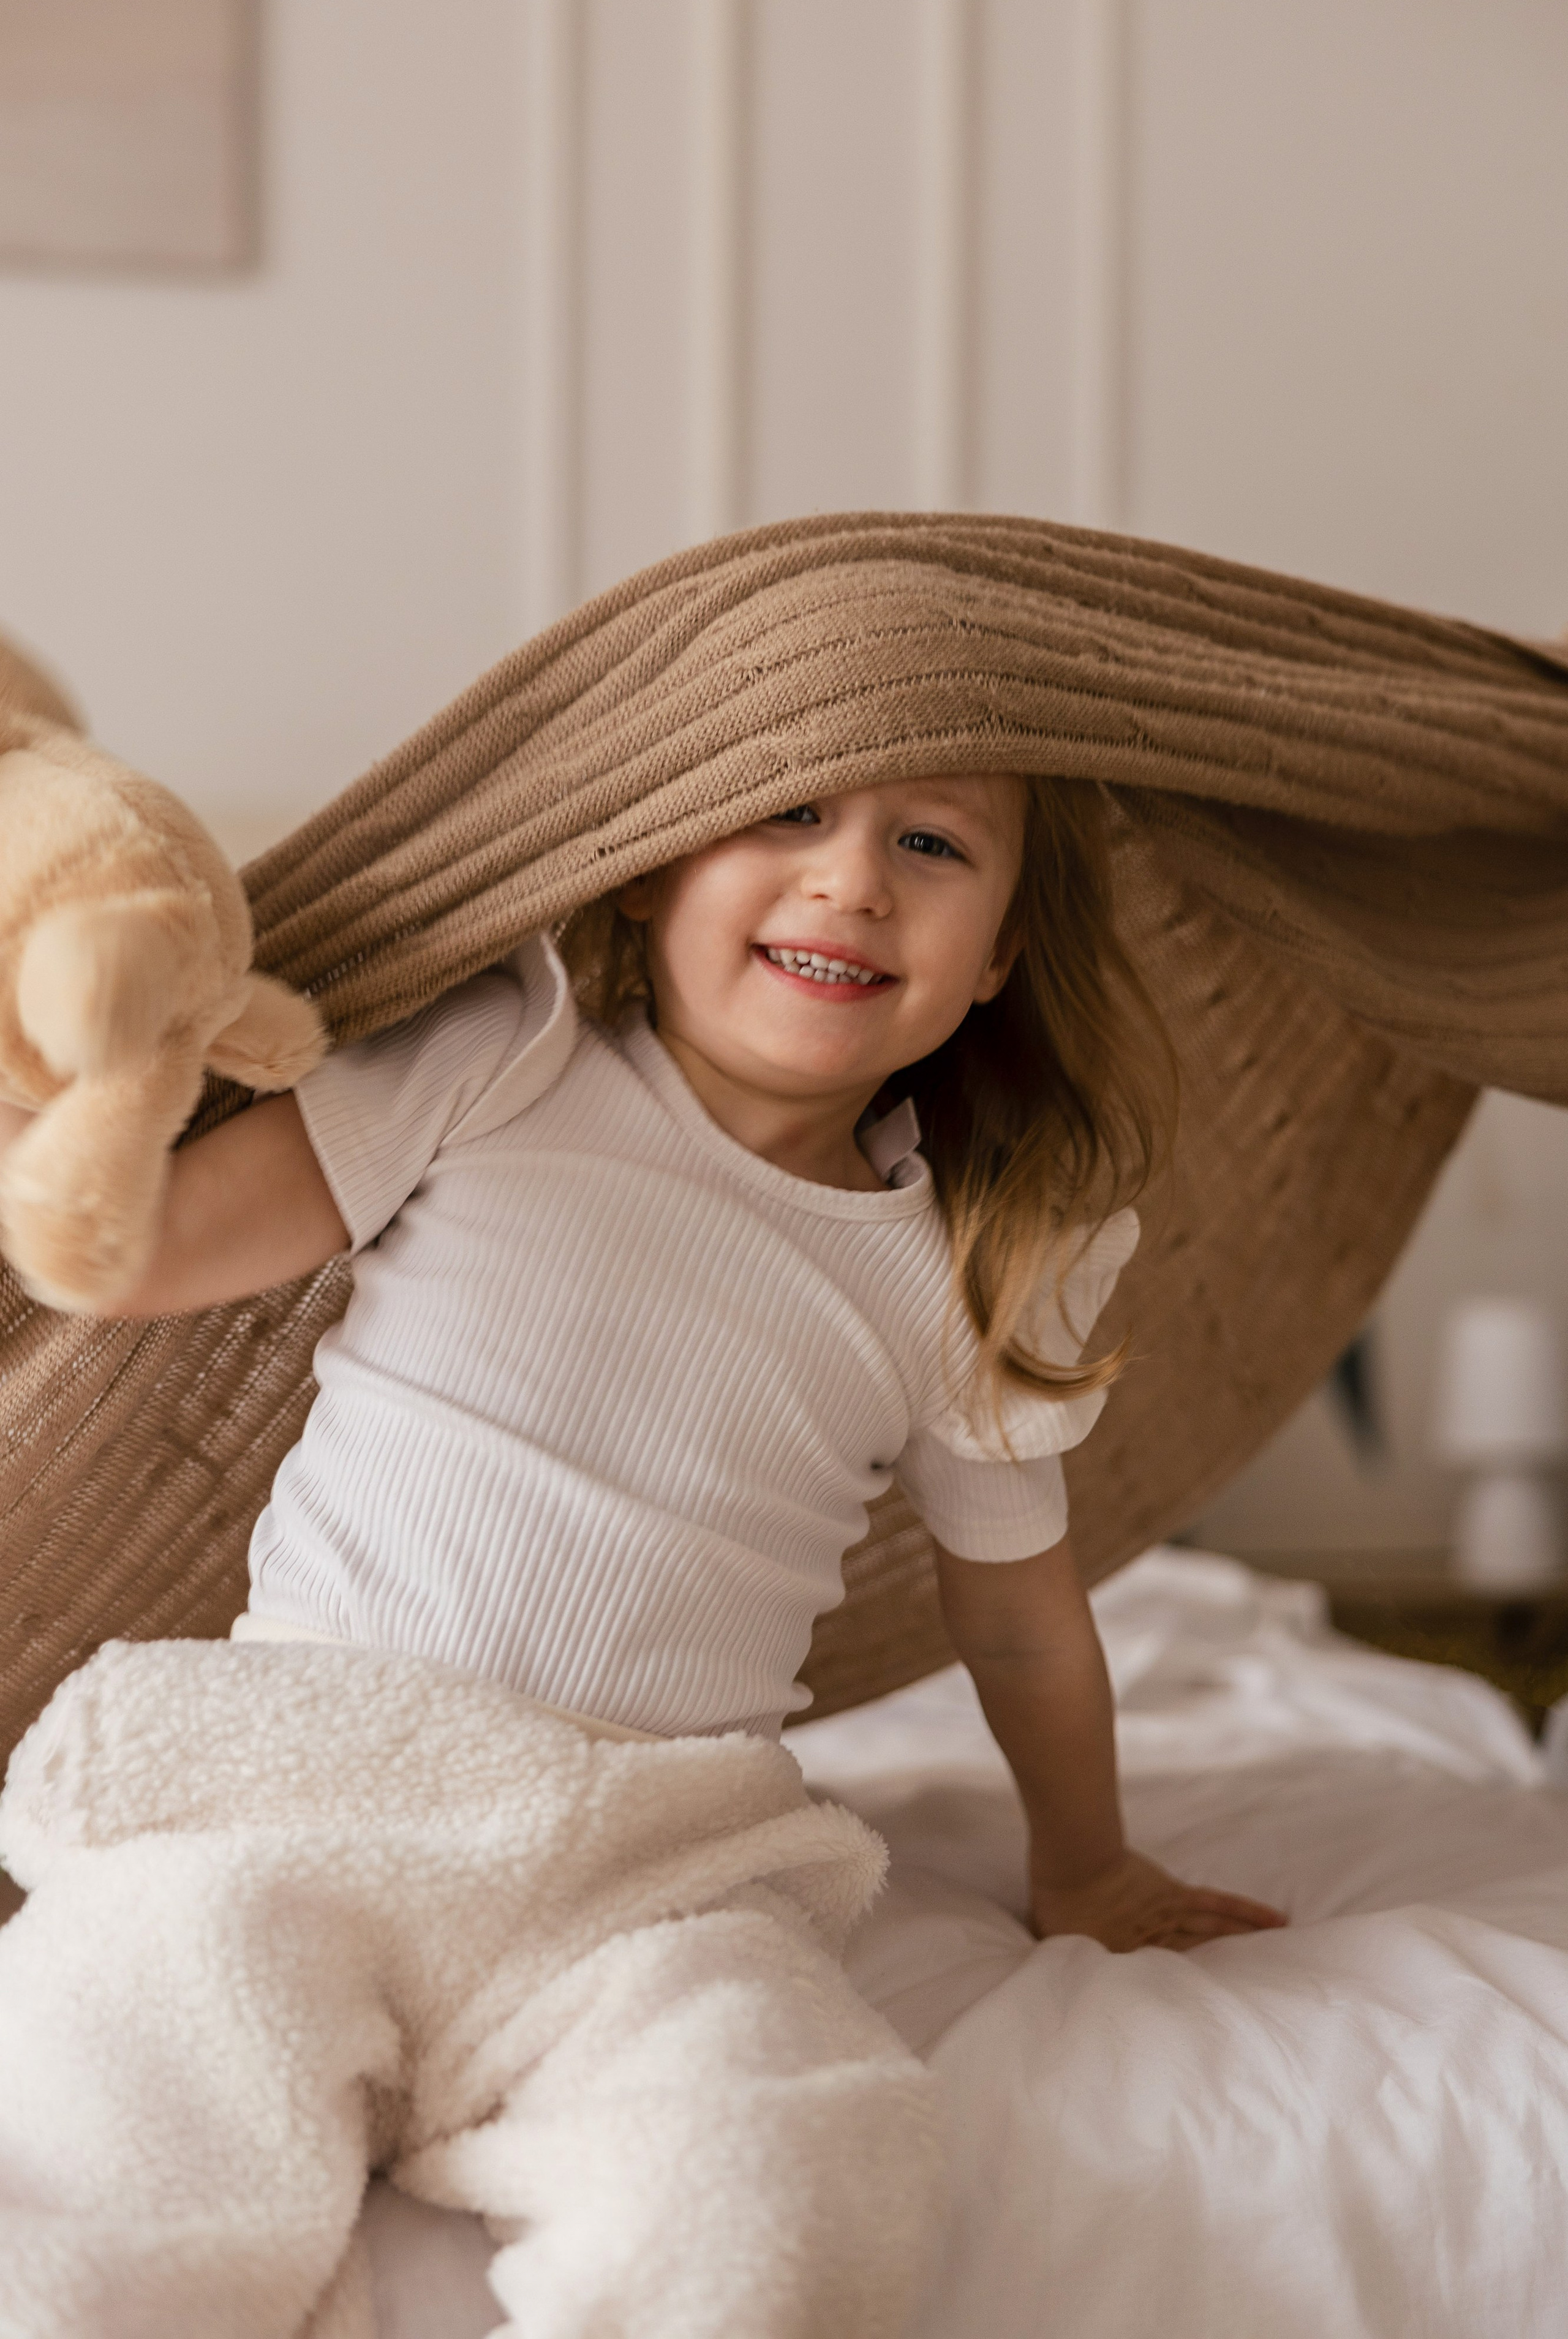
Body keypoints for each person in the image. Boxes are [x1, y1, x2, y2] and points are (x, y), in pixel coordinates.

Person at [0, 770, 1284, 2335]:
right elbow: (132, 1251)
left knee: (771, 2162)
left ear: (999, 956)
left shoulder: (967, 1271)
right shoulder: (504, 1055)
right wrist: (52, 1097)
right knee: (118, 2093)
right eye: (790, 815)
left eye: (930, 844)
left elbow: (1020, 1626)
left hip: (644, 1871)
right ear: (647, 870)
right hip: (305, 1786)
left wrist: (1085, 1866)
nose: (852, 882)